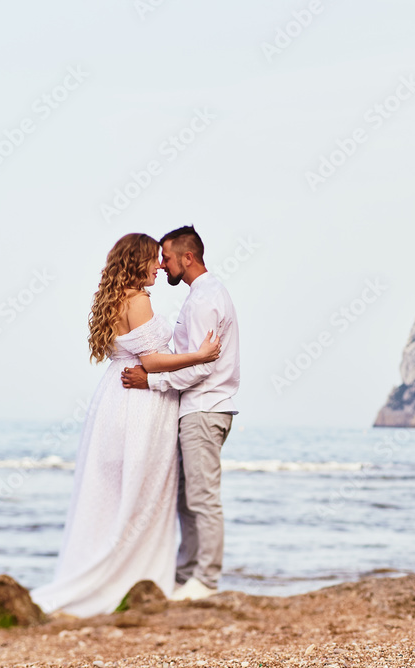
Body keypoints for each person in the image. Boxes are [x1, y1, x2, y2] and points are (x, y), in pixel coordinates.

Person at [32, 233, 221, 617]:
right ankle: (132, 576)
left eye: (162, 259)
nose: (159, 266)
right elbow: (151, 362)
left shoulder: (115, 298)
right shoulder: (138, 299)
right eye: (154, 259)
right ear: (137, 262)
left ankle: (124, 571)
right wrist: (198, 355)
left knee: (116, 493)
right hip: (140, 403)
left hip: (115, 400)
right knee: (142, 493)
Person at [121, 226, 241, 601]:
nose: (162, 264)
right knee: (188, 497)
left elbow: (202, 366)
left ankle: (205, 579)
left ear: (187, 258)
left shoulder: (205, 299)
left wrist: (150, 382)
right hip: (198, 408)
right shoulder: (200, 296)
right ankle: (188, 575)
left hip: (205, 408)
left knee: (202, 497)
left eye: (168, 258)